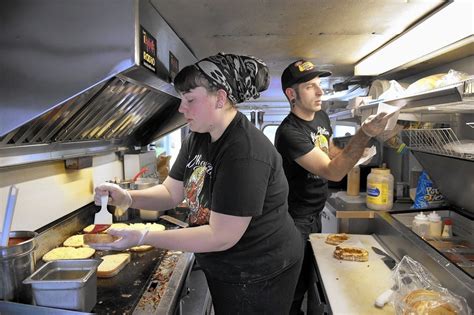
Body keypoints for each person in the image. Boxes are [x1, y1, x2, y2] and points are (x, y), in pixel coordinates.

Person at [92, 53, 304, 314]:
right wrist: (128, 197)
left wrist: (144, 236)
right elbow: (171, 192)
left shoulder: (244, 151)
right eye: (182, 99)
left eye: (190, 99)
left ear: (220, 98)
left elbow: (220, 236)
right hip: (228, 262)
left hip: (259, 269)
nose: (182, 108)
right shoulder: (198, 138)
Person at [274, 59, 393, 315]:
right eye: (310, 87)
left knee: (310, 278)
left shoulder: (321, 117)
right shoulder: (288, 133)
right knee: (294, 287)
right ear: (291, 94)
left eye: (320, 85)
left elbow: (328, 153)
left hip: (314, 214)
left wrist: (357, 155)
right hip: (294, 219)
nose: (320, 92)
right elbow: (332, 170)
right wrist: (363, 134)